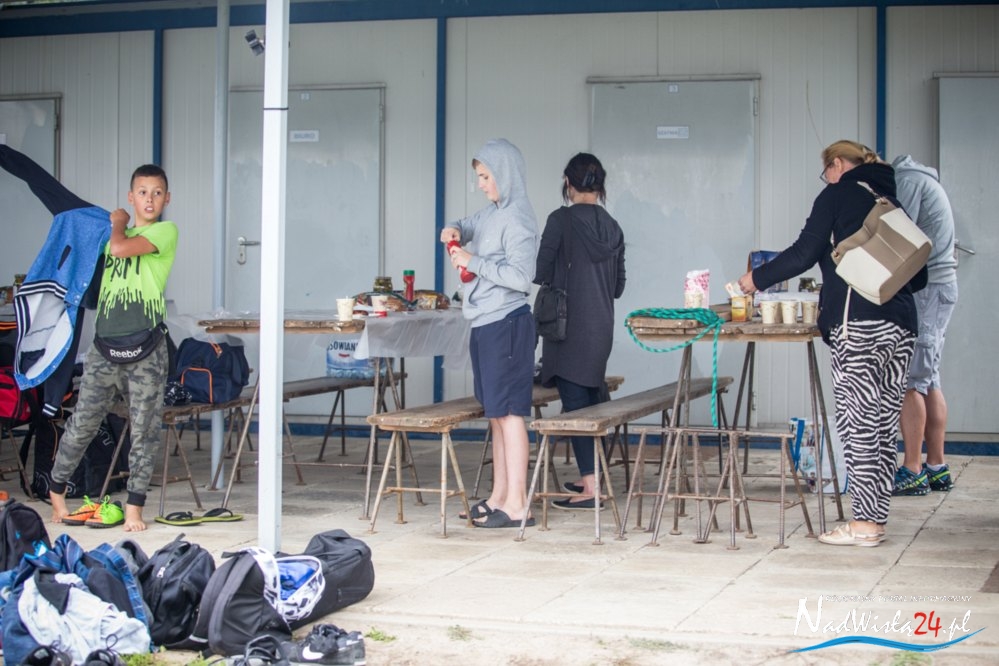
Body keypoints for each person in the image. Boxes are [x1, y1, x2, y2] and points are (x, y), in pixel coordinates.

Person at [737, 140, 925, 547]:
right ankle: (874, 519)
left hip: (859, 323)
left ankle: (864, 524)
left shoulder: (838, 194)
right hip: (902, 326)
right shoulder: (890, 201)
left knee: (859, 423)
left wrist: (755, 280)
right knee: (881, 425)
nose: (825, 179)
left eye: (826, 172)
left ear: (837, 164)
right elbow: (920, 274)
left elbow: (804, 252)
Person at [50, 164, 178, 532]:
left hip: (146, 348)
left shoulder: (164, 231)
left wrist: (118, 222)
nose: (150, 199)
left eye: (157, 193)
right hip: (104, 347)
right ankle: (57, 493)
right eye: (143, 192)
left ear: (167, 199)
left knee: (144, 430)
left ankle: (134, 507)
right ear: (131, 196)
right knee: (83, 422)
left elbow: (120, 248)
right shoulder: (108, 236)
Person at [441, 138, 539, 529]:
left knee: (511, 414)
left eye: (485, 177)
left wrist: (474, 262)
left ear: (505, 174)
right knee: (496, 414)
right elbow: (468, 225)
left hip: (508, 323)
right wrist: (453, 229)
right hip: (484, 321)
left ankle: (518, 504)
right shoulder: (492, 213)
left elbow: (522, 278)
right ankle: (499, 496)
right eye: (479, 177)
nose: (481, 184)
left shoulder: (518, 218)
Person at [534, 153, 625, 509]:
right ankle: (592, 476)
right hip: (601, 325)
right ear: (600, 185)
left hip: (568, 327)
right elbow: (618, 287)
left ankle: (591, 488)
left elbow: (541, 271)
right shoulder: (613, 227)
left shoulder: (560, 220)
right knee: (591, 402)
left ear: (567, 182)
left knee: (576, 408)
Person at [891, 155, 959, 496]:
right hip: (941, 286)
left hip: (928, 288)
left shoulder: (906, 181)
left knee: (911, 380)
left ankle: (913, 469)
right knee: (930, 379)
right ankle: (936, 467)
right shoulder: (923, 178)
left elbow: (898, 238)